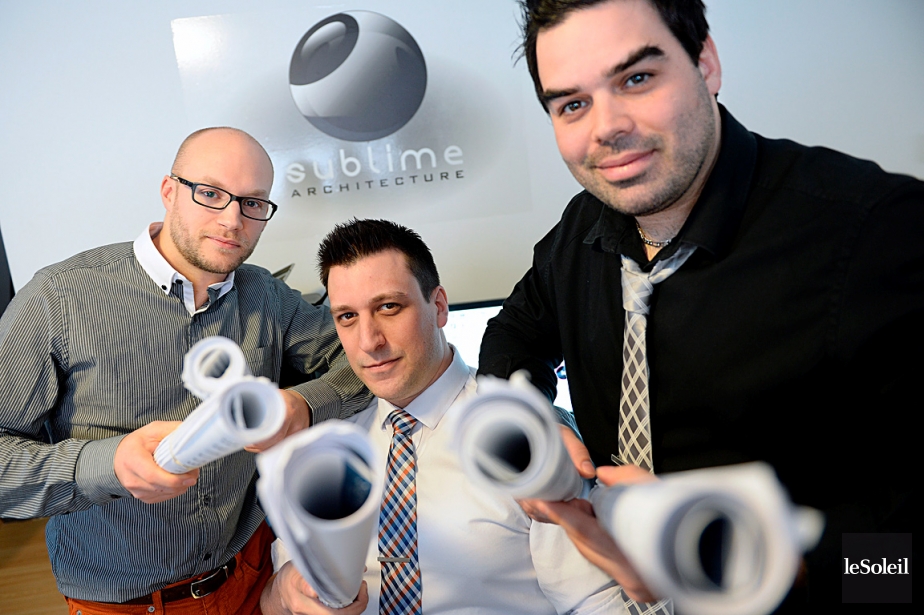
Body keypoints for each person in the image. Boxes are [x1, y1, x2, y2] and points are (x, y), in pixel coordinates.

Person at [478, 0, 923, 609]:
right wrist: (531, 431)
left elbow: (905, 566)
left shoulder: (878, 234)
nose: (606, 127)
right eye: (572, 104)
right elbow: (513, 333)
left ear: (705, 62)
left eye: (637, 78)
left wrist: (766, 567)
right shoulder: (583, 226)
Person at [0, 127, 371, 614]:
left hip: (250, 573)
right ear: (169, 191)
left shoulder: (265, 295)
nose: (232, 220)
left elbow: (364, 357)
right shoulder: (57, 300)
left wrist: (303, 404)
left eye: (253, 203)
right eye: (210, 193)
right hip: (129, 603)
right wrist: (106, 465)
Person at [260, 218, 623, 615]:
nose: (369, 342)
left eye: (388, 307)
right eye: (347, 317)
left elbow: (595, 603)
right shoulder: (324, 446)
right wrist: (285, 591)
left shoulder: (523, 436)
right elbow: (276, 598)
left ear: (439, 306)